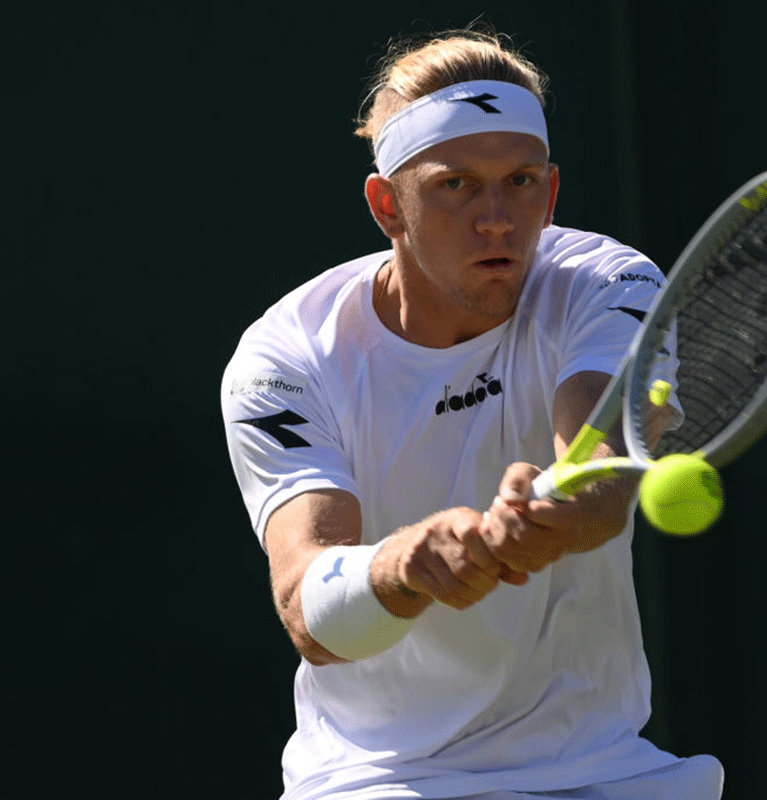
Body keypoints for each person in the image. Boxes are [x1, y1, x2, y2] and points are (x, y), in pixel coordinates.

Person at [221, 29, 723, 800]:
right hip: (375, 781)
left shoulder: (610, 284)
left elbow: (597, 486)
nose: (498, 216)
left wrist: (550, 511)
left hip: (597, 769)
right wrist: (404, 564)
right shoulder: (285, 359)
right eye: (456, 185)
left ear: (551, 195)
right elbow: (310, 615)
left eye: (521, 181)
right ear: (388, 204)